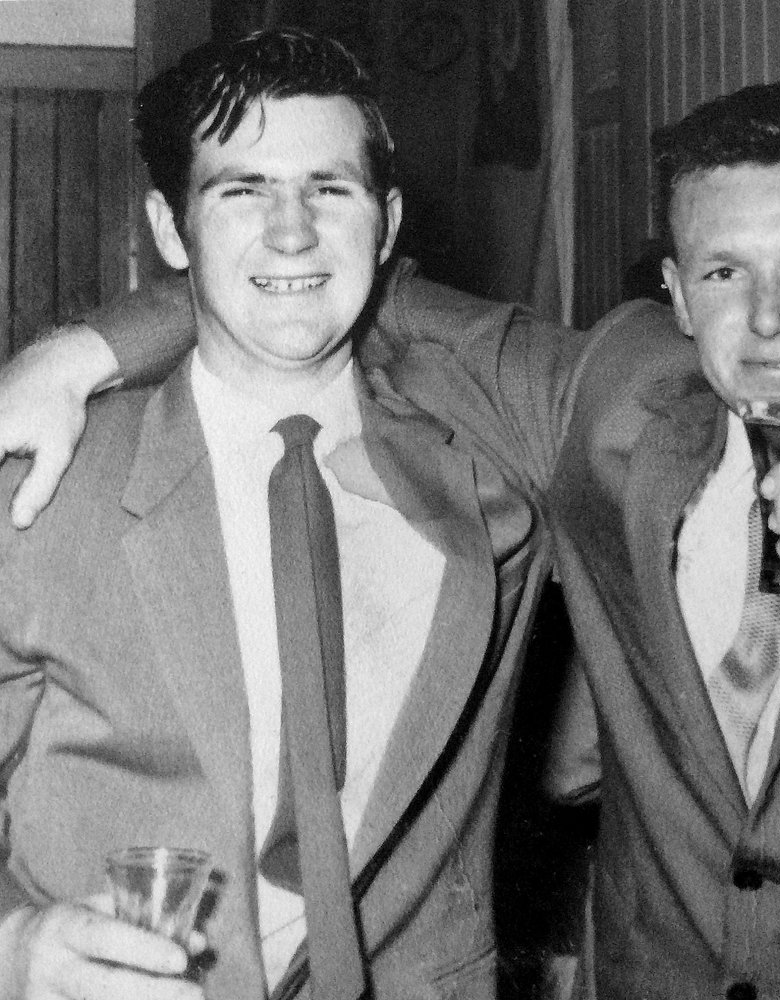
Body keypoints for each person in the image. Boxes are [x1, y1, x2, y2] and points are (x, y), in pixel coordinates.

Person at [4, 74, 780, 1000]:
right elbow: (329, 280)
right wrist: (79, 352)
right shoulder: (609, 409)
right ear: (678, 294)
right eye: (725, 270)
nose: (771, 317)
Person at [0, 28, 570, 1000]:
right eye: (243, 191)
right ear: (170, 229)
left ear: (387, 224)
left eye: (329, 189)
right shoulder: (47, 487)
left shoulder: (493, 464)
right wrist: (12, 951)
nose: (293, 230)